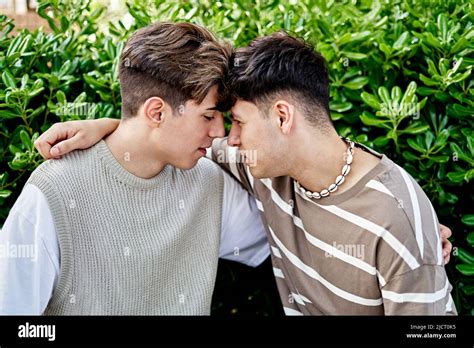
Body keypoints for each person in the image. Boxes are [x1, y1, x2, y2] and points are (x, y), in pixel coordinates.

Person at [31, 32, 455, 315]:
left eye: (237, 122)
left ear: (283, 118)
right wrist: (108, 129)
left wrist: (413, 234)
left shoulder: (396, 217)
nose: (226, 139)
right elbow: (166, 133)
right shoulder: (265, 167)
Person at [0, 22, 270, 315]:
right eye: (208, 116)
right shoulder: (53, 193)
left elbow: (285, 239)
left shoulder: (209, 185)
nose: (220, 132)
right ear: (157, 112)